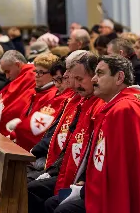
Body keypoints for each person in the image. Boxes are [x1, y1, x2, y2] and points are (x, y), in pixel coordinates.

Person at [47, 55, 140, 213]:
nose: (94, 79)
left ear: (119, 77)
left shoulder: (125, 109)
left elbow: (120, 169)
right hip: (100, 187)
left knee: (60, 209)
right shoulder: (116, 106)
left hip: (122, 196)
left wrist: (85, 190)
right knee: (54, 203)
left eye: (100, 73)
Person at [28, 53, 104, 213]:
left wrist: (81, 182)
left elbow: (92, 150)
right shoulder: (80, 101)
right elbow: (69, 142)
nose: (75, 85)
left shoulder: (99, 105)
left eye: (79, 79)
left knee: (43, 196)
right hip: (65, 168)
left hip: (89, 179)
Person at [29, 51, 86, 178]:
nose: (57, 85)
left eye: (61, 79)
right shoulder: (68, 99)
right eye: (55, 81)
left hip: (56, 162)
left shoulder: (71, 99)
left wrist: (34, 151)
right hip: (50, 158)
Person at [6, 53, 74, 151]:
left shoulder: (56, 96)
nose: (36, 76)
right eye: (36, 71)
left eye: (41, 72)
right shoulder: (37, 92)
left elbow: (40, 126)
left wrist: (16, 131)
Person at [0, 50, 36, 136]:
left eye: (8, 71)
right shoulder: (22, 76)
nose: (7, 76)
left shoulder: (31, 74)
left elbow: (19, 103)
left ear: (18, 65)